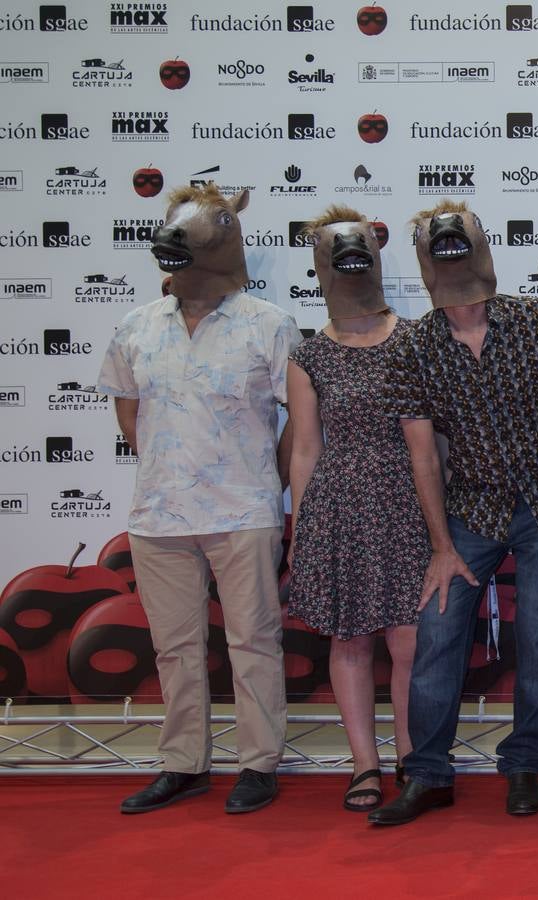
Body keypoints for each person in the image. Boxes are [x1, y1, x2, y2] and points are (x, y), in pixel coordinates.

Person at [369, 201, 538, 826]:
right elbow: (423, 457)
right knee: (437, 636)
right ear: (426, 263)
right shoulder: (411, 346)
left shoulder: (537, 320)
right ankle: (428, 774)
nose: (452, 257)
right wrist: (441, 546)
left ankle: (523, 766)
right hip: (467, 508)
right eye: (440, 250)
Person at [100, 184, 299, 815]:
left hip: (244, 511)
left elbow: (300, 415)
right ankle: (182, 762)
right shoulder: (135, 326)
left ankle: (258, 763)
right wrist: (166, 466)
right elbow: (127, 411)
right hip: (159, 515)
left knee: (254, 640)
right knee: (174, 647)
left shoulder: (268, 324)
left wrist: (269, 476)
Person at [286, 207, 428, 811]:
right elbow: (304, 447)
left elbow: (436, 444)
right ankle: (363, 766)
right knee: (349, 642)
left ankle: (411, 760)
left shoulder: (417, 338)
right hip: (338, 506)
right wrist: (300, 527)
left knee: (410, 643)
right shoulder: (308, 354)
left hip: (407, 503)